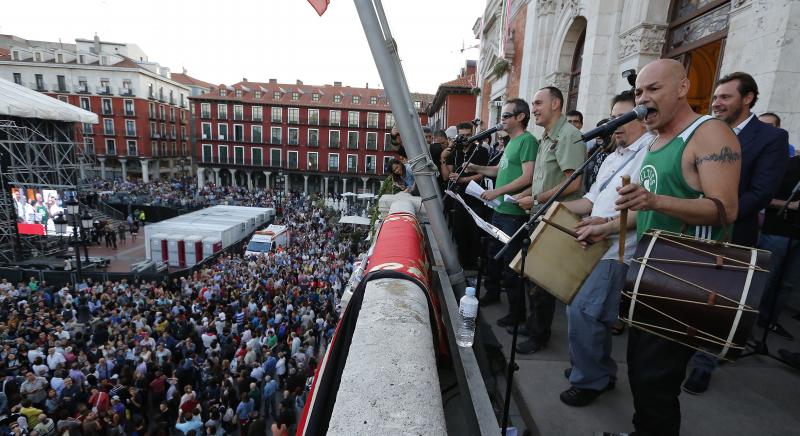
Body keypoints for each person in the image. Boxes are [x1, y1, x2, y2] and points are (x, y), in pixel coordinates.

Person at [605, 59, 741, 436]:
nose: (643, 99)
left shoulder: (709, 134)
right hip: (651, 272)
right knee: (642, 373)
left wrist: (653, 201)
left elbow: (726, 209)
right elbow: (649, 205)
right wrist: (602, 226)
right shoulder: (656, 139)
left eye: (653, 89)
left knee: (656, 383)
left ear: (682, 88)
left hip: (686, 278)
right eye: (638, 92)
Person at [683, 72, 789, 395]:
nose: (717, 103)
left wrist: (717, 211)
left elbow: (760, 192)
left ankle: (704, 364)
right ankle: (682, 348)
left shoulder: (771, 139)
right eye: (715, 97)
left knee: (720, 304)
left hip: (732, 233)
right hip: (691, 230)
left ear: (748, 98)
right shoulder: (703, 132)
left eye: (725, 97)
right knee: (689, 295)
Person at [559, 91, 652, 407]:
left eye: (623, 118)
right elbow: (590, 200)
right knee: (584, 311)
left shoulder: (650, 153)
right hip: (593, 243)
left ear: (641, 119)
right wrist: (553, 207)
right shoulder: (613, 155)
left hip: (617, 250)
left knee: (585, 312)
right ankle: (593, 368)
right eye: (613, 117)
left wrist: (607, 223)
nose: (616, 125)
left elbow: (645, 210)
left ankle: (591, 380)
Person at [512, 86, 586, 354]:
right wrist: (526, 195)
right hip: (541, 214)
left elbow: (573, 181)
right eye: (533, 104)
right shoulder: (545, 137)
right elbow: (543, 179)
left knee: (542, 280)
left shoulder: (568, 136)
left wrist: (535, 199)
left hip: (557, 218)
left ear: (556, 104)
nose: (534, 109)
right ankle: (533, 325)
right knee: (532, 276)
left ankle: (539, 335)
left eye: (538, 103)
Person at [465, 98, 538, 318]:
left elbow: (528, 177)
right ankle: (493, 293)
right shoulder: (511, 142)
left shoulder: (527, 141)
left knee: (510, 266)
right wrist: (476, 167)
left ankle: (517, 313)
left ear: (520, 117)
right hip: (500, 211)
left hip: (513, 214)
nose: (501, 120)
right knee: (492, 256)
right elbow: (500, 170)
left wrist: (497, 192)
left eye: (506, 116)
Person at [440, 121, 491, 270]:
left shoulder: (480, 151)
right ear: (457, 136)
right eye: (463, 136)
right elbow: (445, 176)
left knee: (474, 234)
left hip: (475, 198)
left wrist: (463, 179)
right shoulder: (453, 151)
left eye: (469, 135)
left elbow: (482, 174)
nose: (466, 139)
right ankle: (463, 266)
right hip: (457, 198)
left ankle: (474, 267)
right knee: (459, 233)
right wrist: (443, 158)